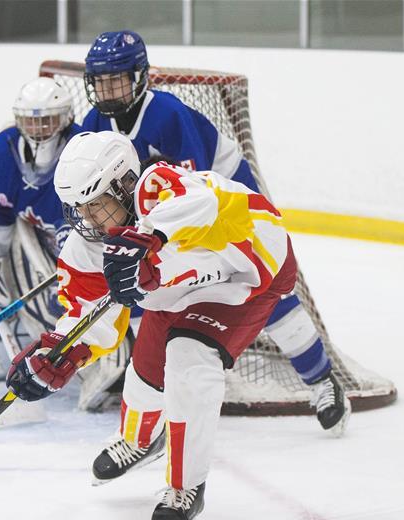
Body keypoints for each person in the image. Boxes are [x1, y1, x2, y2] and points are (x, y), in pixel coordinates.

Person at [7, 130, 299, 520]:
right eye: (80, 209)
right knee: (145, 372)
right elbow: (91, 314)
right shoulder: (88, 244)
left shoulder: (161, 187)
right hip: (176, 291)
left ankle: (185, 488)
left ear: (125, 185)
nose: (88, 220)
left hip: (247, 276)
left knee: (187, 359)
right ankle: (137, 439)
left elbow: (214, 206)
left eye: (96, 206)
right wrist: (62, 352)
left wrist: (152, 239)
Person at [79, 30, 350, 452]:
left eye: (117, 79)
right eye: (100, 81)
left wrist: (148, 235)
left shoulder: (167, 114)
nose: (108, 90)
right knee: (146, 294)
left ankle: (321, 381)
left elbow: (197, 193)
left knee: (259, 285)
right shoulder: (95, 124)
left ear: (140, 77)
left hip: (222, 200)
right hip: (157, 218)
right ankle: (157, 400)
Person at [0, 77, 129, 413]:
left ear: (66, 118)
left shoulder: (82, 156)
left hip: (84, 249)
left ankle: (106, 359)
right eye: (31, 120)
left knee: (95, 299)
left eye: (48, 119)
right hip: (39, 245)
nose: (39, 128)